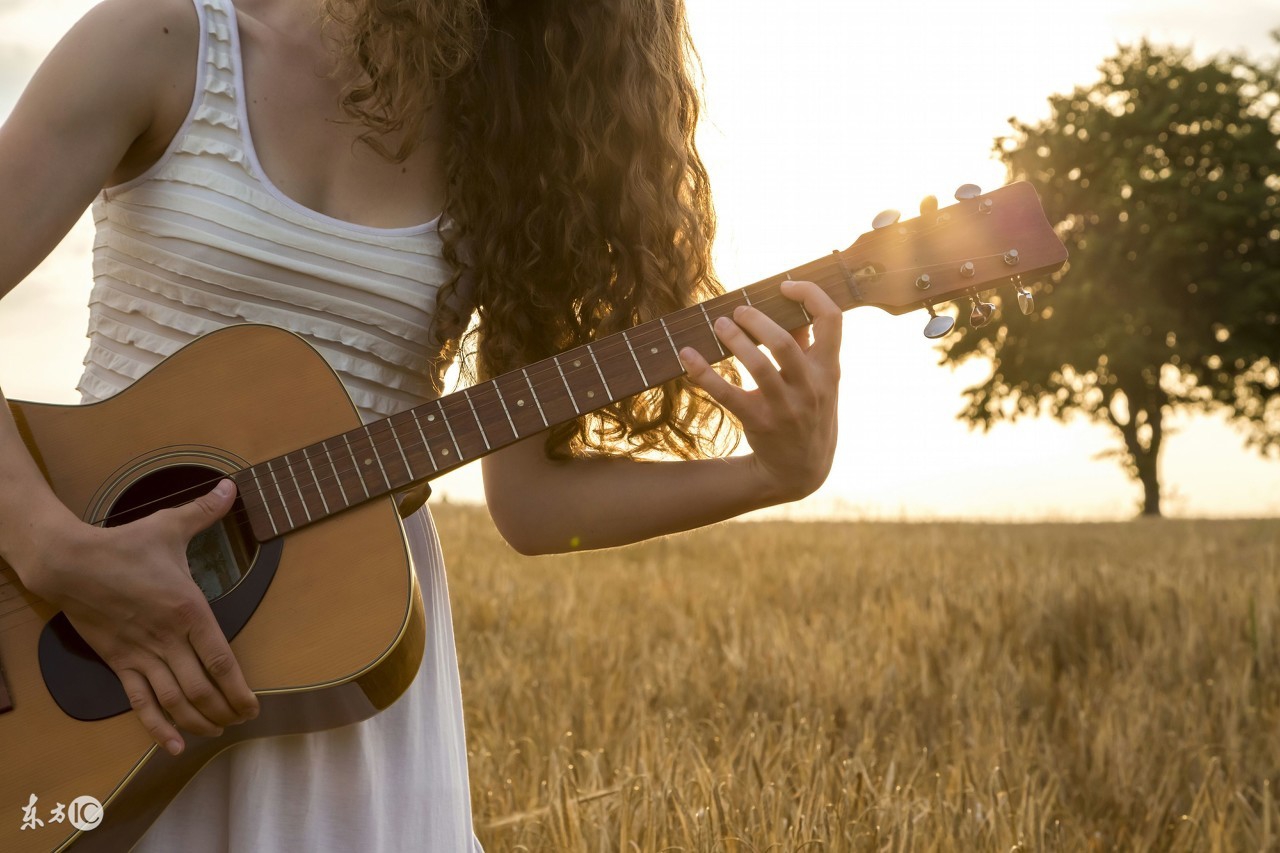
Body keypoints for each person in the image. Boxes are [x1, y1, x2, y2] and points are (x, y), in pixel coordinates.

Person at [0, 0, 842, 849]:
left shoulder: (513, 145)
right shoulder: (165, 40)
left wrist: (772, 474)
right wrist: (54, 549)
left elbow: (532, 501)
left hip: (340, 669)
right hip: (61, 631)